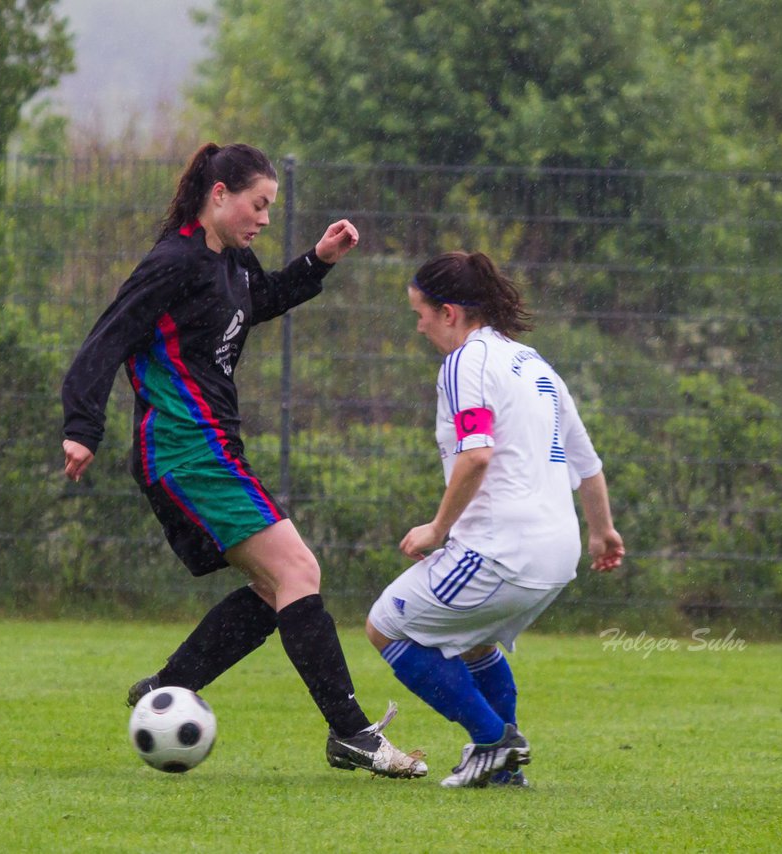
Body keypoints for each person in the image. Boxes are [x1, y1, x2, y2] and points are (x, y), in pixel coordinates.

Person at [60, 142, 426, 779]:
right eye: (258, 205)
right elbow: (108, 335)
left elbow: (261, 301)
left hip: (213, 447)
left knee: (273, 586)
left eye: (270, 209)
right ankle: (352, 733)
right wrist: (82, 426)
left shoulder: (230, 262)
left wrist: (317, 261)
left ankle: (166, 688)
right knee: (297, 571)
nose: (263, 218)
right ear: (220, 193)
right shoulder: (173, 261)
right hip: (184, 449)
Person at [365, 251, 625, 788]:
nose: (418, 325)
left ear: (451, 313)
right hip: (558, 553)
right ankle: (503, 776)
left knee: (386, 627)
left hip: (501, 549)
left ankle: (494, 740)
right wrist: (602, 532)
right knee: (473, 641)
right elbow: (587, 463)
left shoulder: (465, 362)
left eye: (421, 313)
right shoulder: (536, 366)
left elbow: (476, 453)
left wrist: (437, 530)